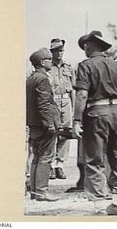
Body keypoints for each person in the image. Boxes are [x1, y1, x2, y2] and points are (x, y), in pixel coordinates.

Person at [72, 30, 117, 215]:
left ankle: (99, 206)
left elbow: (82, 94)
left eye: (85, 46)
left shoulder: (86, 65)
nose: (84, 49)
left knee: (95, 158)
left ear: (90, 46)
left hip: (97, 113)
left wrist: (76, 120)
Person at [26, 48, 61, 201]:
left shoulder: (31, 78)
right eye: (48, 59)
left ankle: (35, 191)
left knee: (36, 157)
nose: (51, 61)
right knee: (46, 157)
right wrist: (50, 125)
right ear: (42, 62)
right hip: (44, 125)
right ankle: (41, 192)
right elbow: (44, 104)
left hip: (34, 124)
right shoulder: (43, 79)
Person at [49, 38, 75, 180]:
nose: (59, 53)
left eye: (61, 50)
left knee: (66, 133)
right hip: (54, 101)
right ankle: (51, 165)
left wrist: (75, 106)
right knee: (53, 132)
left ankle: (60, 165)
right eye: (56, 50)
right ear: (51, 52)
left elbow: (74, 89)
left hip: (66, 101)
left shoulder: (68, 67)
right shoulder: (48, 67)